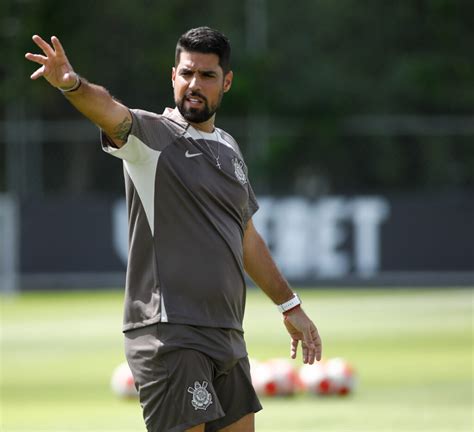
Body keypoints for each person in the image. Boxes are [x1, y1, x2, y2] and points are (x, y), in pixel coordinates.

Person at [25, 27, 322, 432]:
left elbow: (246, 237)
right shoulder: (151, 136)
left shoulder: (229, 148)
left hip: (227, 332)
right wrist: (71, 84)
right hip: (169, 333)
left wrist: (290, 306)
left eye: (207, 75)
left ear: (227, 82)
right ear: (173, 76)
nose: (194, 84)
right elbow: (110, 110)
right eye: (186, 74)